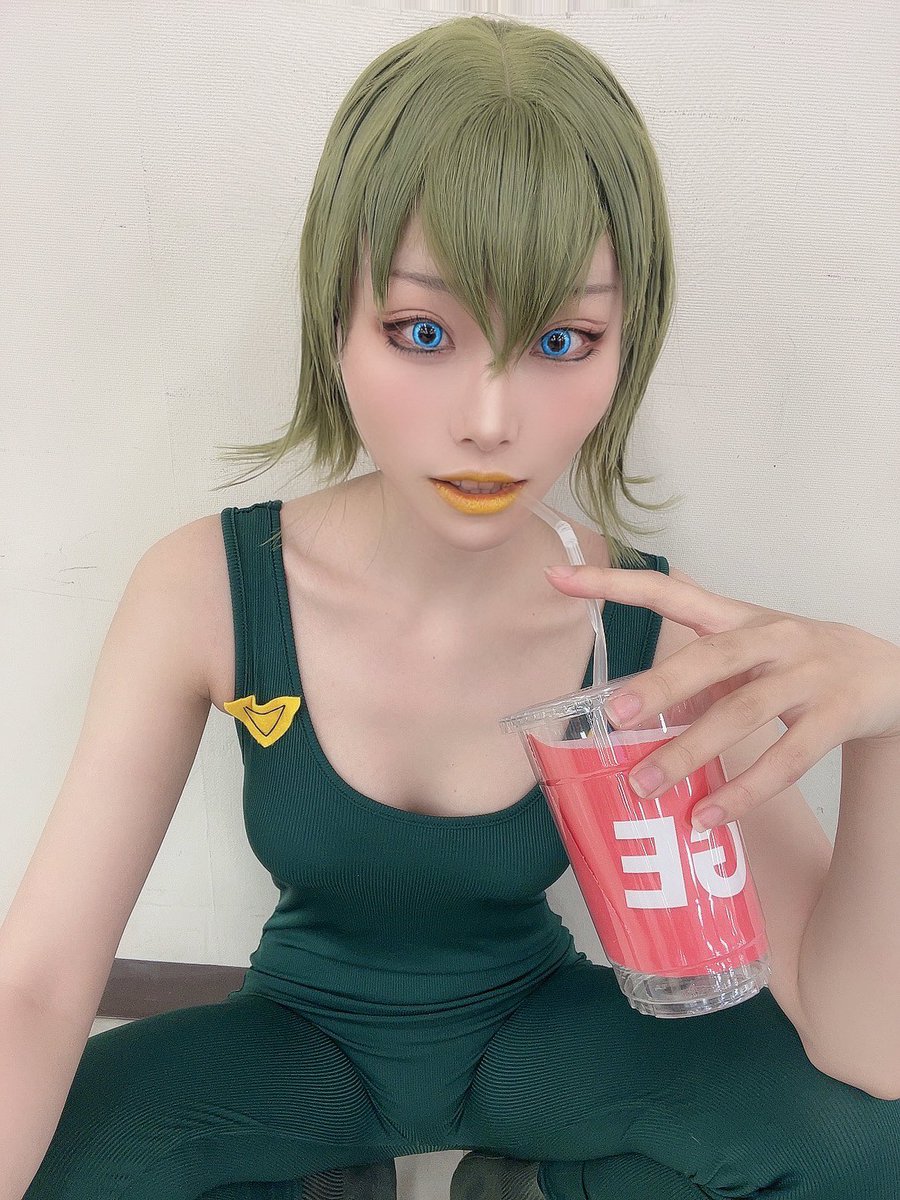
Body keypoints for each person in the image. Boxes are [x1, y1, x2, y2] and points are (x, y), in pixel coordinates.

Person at [4, 14, 900, 1200]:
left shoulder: (652, 628)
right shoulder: (205, 589)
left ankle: (525, 1187)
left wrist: (890, 729)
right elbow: (38, 984)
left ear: (624, 347)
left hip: (540, 1046)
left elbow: (869, 1051)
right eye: (421, 333)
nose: (489, 420)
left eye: (562, 339)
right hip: (295, 1053)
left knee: (868, 1148)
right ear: (334, 319)